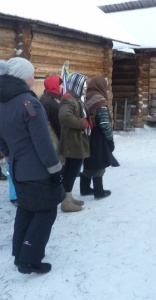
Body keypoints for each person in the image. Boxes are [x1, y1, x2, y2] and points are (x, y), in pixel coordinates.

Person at [0, 57, 65, 274]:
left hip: (18, 169)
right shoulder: (29, 103)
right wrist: (56, 170)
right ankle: (30, 259)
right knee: (46, 211)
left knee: (27, 209)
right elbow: (43, 143)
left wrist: (11, 158)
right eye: (31, 74)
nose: (32, 78)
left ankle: (20, 253)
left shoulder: (3, 102)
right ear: (23, 77)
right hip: (37, 170)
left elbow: (1, 140)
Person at [58, 72, 91, 212]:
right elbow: (64, 117)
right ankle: (66, 202)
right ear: (77, 84)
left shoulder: (76, 99)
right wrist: (83, 123)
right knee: (72, 171)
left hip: (76, 140)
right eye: (83, 84)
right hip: (72, 141)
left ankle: (68, 197)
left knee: (72, 170)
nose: (85, 87)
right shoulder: (68, 99)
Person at [81, 75, 117, 199]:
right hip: (98, 136)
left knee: (90, 162)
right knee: (100, 164)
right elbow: (104, 123)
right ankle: (99, 191)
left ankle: (84, 188)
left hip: (88, 134)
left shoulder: (88, 97)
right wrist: (110, 138)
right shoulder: (99, 101)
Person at [39, 75, 65, 164]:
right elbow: (58, 126)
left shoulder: (46, 98)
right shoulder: (51, 103)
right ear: (55, 86)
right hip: (54, 139)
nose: (62, 86)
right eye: (60, 84)